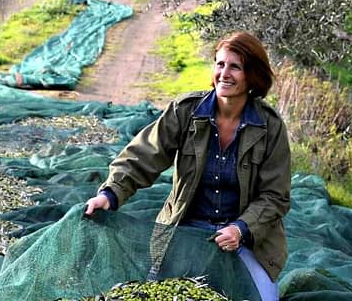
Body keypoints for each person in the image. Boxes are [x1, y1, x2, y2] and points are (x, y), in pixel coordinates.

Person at [84, 30, 291, 301]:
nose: (225, 73)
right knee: (157, 295)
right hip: (183, 233)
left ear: (252, 75)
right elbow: (143, 155)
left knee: (262, 298)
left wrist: (240, 229)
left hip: (243, 241)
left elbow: (275, 197)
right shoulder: (186, 111)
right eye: (220, 64)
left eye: (235, 67)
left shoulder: (270, 127)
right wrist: (109, 194)